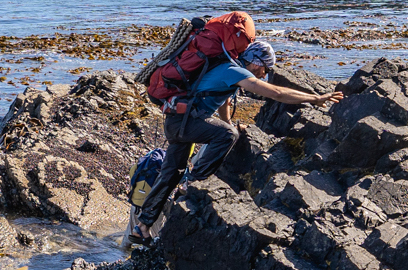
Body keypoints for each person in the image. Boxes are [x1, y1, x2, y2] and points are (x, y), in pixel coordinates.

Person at [133, 39, 339, 242]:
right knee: (227, 135)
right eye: (266, 69)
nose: (264, 75)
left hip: (176, 120)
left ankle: (142, 227)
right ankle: (192, 183)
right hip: (185, 123)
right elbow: (276, 93)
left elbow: (223, 99)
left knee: (171, 173)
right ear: (257, 63)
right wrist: (315, 98)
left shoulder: (228, 68)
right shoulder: (235, 71)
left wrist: (228, 122)